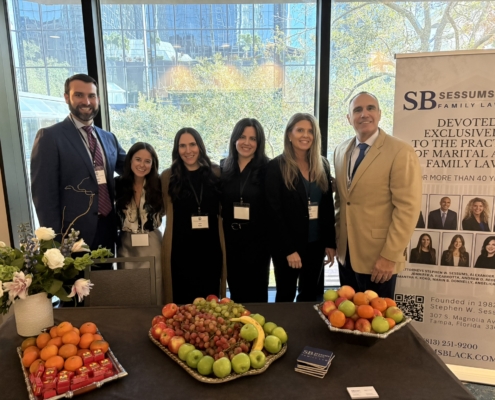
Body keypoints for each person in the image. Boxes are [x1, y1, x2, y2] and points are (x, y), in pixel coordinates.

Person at [334, 92, 422, 298]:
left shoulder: (400, 152)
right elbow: (342, 202)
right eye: (357, 110)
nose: (364, 114)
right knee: (347, 319)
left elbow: (407, 209)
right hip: (346, 257)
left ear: (380, 114)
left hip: (379, 260)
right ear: (349, 118)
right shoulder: (340, 151)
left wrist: (389, 256)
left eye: (370, 108)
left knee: (378, 324)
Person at [31, 74, 126, 252]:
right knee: (77, 281)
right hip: (71, 238)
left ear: (98, 98)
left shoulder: (108, 138)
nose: (86, 102)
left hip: (107, 231)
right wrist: (55, 243)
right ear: (67, 97)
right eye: (79, 95)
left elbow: (132, 167)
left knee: (108, 279)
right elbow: (44, 197)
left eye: (91, 96)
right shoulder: (50, 137)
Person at [266, 113, 336, 302]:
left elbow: (327, 205)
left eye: (310, 131)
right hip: (288, 246)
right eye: (300, 130)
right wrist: (289, 250)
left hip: (316, 244)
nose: (306, 135)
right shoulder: (275, 167)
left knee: (310, 296)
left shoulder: (322, 164)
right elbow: (274, 213)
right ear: (290, 134)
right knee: (286, 296)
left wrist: (330, 242)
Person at [160, 128, 226, 304]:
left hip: (210, 251)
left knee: (209, 306)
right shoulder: (168, 176)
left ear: (200, 146)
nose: (188, 150)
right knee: (181, 307)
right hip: (180, 252)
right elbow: (158, 209)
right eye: (182, 146)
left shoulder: (216, 173)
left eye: (192, 144)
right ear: (177, 149)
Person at [220, 118, 270, 303]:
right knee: (236, 290)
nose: (247, 143)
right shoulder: (224, 167)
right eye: (242, 137)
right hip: (231, 240)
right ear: (235, 139)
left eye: (253, 138)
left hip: (258, 242)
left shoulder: (268, 168)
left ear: (259, 143)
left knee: (257, 292)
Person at [115, 142, 164, 303]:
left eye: (147, 161)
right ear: (130, 161)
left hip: (153, 244)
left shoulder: (159, 185)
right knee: (129, 287)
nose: (142, 165)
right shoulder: (118, 185)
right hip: (126, 244)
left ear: (153, 164)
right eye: (138, 159)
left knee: (155, 286)